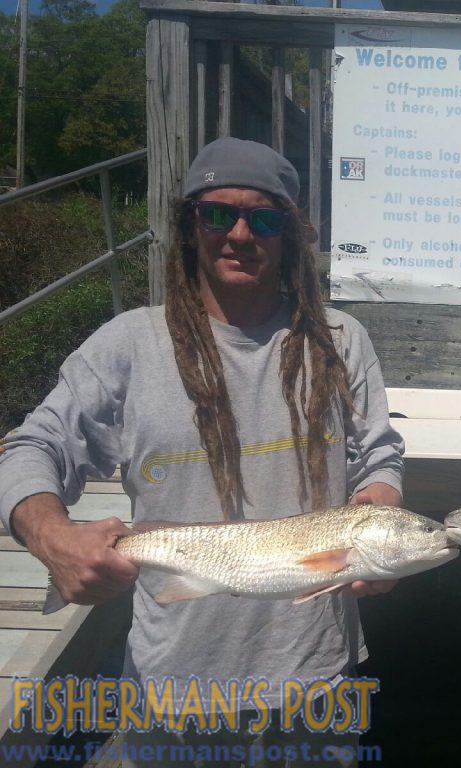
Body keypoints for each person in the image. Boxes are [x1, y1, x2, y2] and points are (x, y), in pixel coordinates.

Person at [0, 137, 405, 765]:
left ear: (291, 234)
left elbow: (378, 456)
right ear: (190, 225)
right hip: (172, 685)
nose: (241, 233)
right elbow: (33, 444)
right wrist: (54, 537)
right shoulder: (129, 344)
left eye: (265, 218)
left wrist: (377, 530)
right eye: (218, 213)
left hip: (314, 680)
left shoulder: (340, 340)